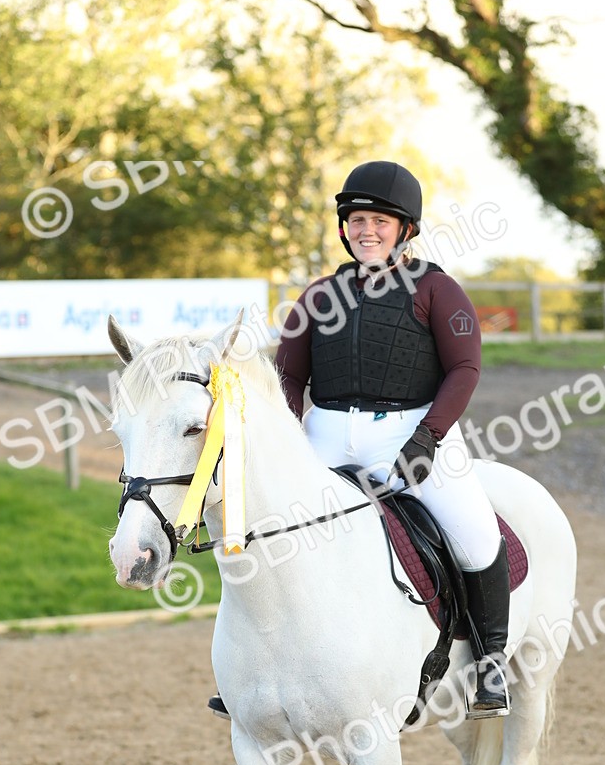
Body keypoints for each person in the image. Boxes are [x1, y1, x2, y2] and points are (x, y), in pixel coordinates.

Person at [209, 160, 510, 720]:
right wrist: (285, 442)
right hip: (325, 433)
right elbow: (287, 379)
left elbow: (464, 370)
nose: (366, 230)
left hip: (410, 429)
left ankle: (491, 664)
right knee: (264, 532)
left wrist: (427, 438)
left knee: (474, 534)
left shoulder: (438, 290)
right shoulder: (319, 296)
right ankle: (247, 667)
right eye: (356, 220)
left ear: (405, 229)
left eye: (379, 221)